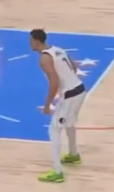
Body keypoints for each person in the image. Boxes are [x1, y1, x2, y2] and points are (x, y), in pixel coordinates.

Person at [31, 28, 86, 183]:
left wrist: (47, 104)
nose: (30, 43)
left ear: (36, 41)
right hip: (80, 90)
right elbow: (74, 68)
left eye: (31, 40)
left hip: (70, 95)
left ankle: (57, 171)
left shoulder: (44, 59)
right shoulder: (58, 49)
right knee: (69, 123)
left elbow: (54, 82)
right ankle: (73, 155)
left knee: (54, 130)